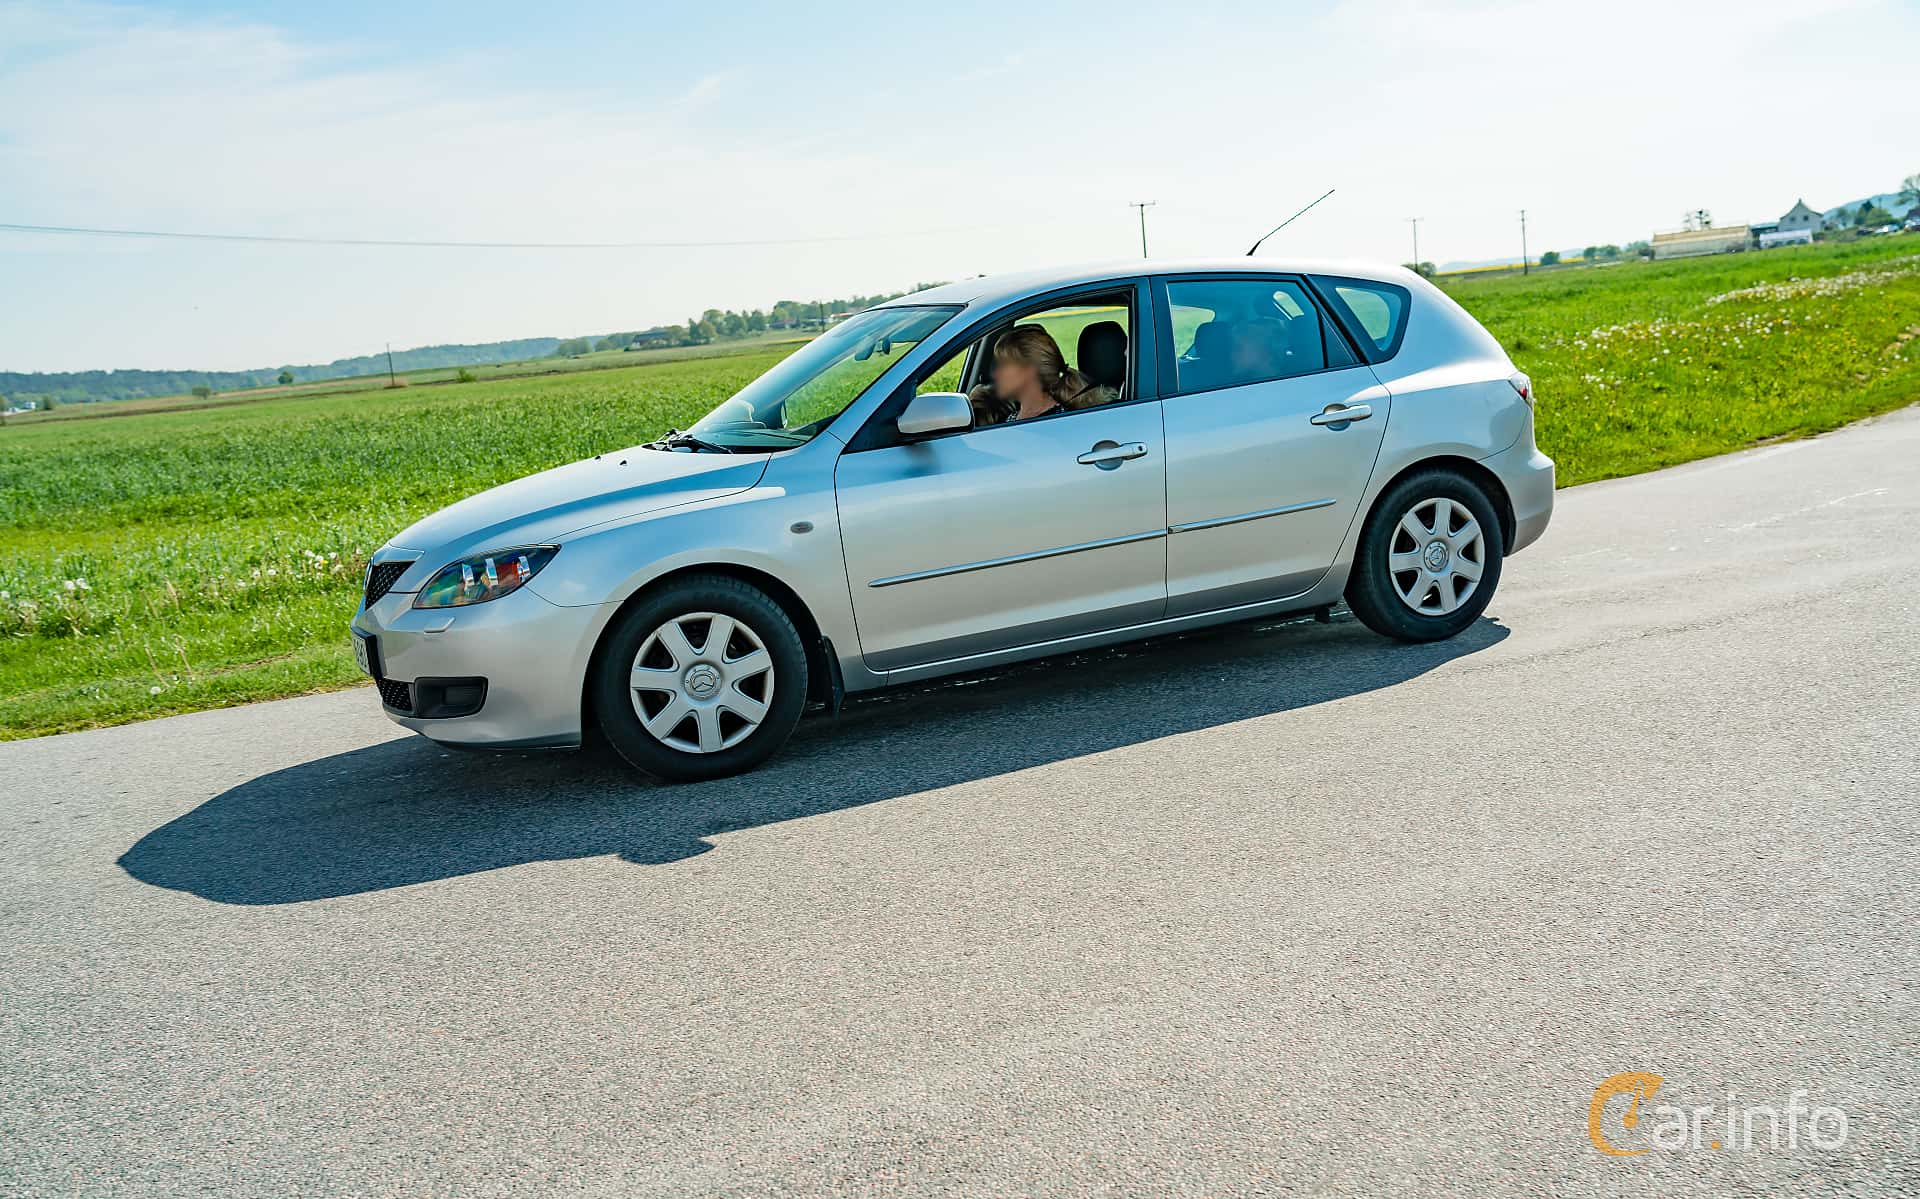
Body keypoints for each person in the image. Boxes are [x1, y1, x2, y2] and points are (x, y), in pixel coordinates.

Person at [968, 324, 1116, 425]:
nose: (996, 373)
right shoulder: (1013, 417)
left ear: (1028, 372)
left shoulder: (1057, 423)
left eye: (1004, 365)